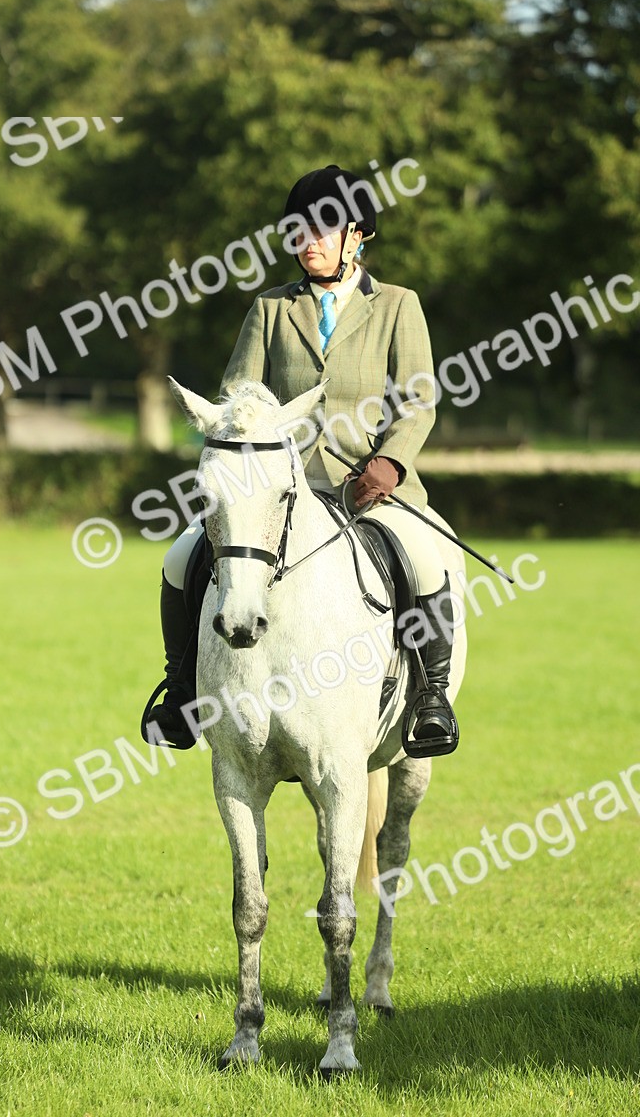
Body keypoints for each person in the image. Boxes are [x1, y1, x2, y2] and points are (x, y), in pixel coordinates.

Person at [140, 164, 458, 757]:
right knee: (182, 555)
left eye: (321, 228)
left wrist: (388, 464)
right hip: (280, 489)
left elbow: (418, 401)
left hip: (372, 487)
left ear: (356, 233)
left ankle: (431, 697)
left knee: (424, 557)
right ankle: (181, 692)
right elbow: (240, 396)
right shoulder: (270, 309)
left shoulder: (397, 305)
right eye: (298, 230)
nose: (307, 241)